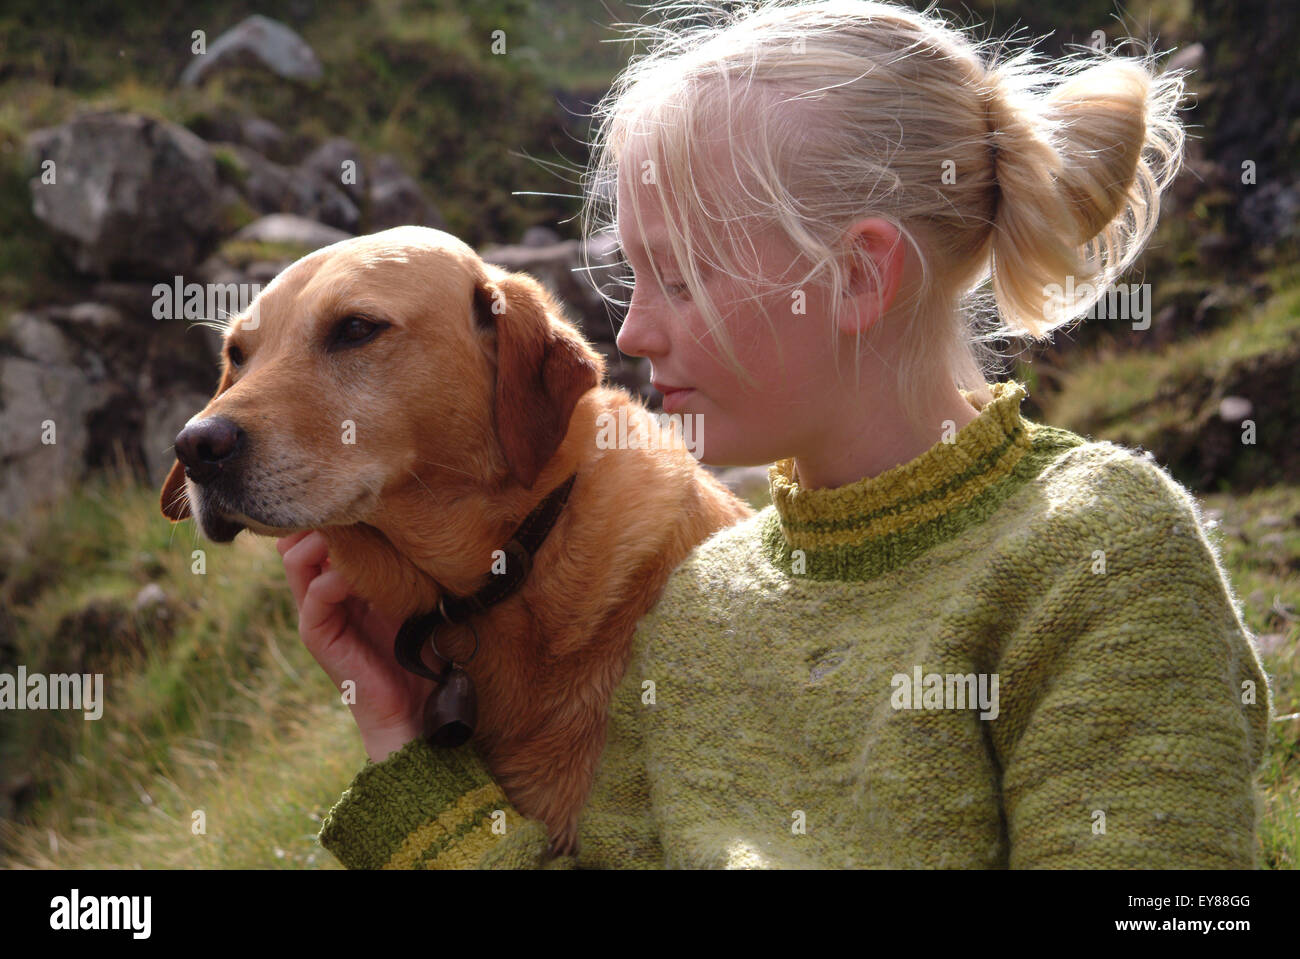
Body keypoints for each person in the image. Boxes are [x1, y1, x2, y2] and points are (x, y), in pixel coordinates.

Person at [281, 0, 1272, 868]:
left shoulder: (1099, 548)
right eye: (632, 277)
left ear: (852, 276)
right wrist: (392, 723)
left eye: (678, 276)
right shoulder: (703, 595)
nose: (630, 331)